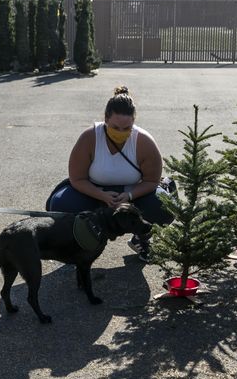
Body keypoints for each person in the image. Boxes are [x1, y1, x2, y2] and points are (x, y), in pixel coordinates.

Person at [47, 86, 173, 262]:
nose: (120, 133)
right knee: (61, 203)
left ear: (134, 122)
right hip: (93, 191)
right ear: (105, 119)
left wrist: (129, 195)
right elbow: (77, 178)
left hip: (132, 195)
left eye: (126, 128)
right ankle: (79, 244)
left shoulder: (144, 141)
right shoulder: (90, 137)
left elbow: (152, 181)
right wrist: (101, 195)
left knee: (164, 205)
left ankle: (142, 239)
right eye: (115, 127)